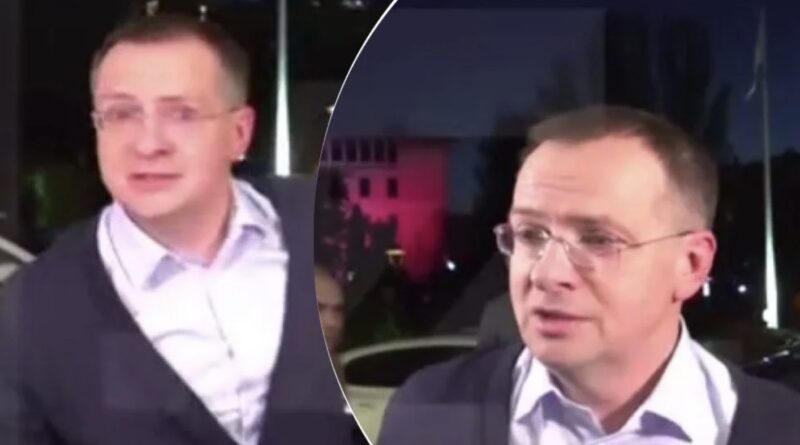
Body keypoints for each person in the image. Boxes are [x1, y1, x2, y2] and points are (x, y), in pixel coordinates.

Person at [0, 14, 350, 445]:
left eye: (182, 114)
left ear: (239, 133)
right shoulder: (29, 313)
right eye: (122, 114)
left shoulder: (330, 224)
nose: (148, 144)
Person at [378, 105, 800, 445]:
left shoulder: (784, 429)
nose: (547, 274)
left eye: (598, 239)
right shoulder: (426, 413)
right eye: (530, 234)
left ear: (690, 265)